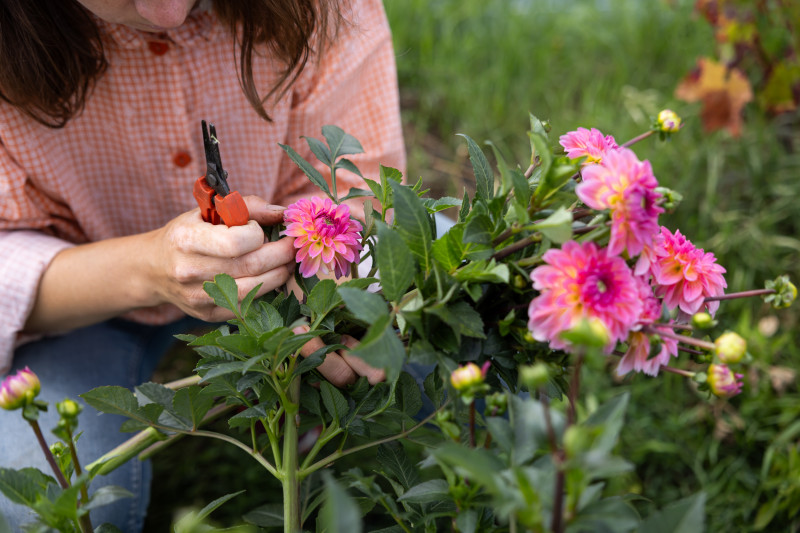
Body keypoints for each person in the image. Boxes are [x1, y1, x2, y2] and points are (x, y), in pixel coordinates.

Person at [0, 0, 405, 530]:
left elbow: (366, 189)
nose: (167, 11)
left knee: (419, 339)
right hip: (75, 302)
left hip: (282, 281)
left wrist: (332, 286)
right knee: (45, 502)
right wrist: (147, 269)